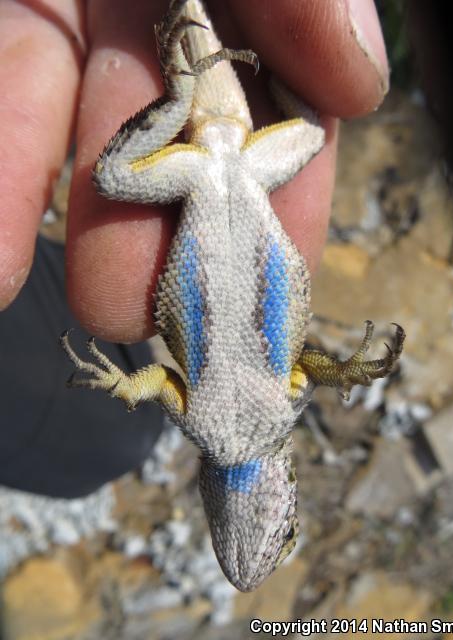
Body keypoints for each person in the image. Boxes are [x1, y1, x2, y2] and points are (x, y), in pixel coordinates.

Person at [0, 0, 388, 497]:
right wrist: (341, 371)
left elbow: (163, 382)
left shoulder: (207, 431)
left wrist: (127, 385)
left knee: (113, 176)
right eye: (288, 531)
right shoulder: (278, 415)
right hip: (251, 169)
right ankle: (269, 63)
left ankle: (179, 96)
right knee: (313, 127)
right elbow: (307, 368)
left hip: (198, 175)